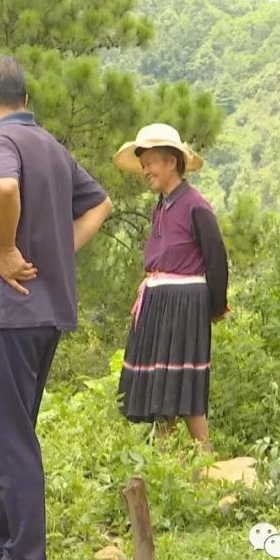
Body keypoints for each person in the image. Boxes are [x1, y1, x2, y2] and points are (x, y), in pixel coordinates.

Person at [0, 53, 113, 560]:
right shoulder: (50, 146)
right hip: (44, 313)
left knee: (5, 435)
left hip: (7, 311)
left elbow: (3, 190)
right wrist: (57, 253)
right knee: (10, 428)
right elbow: (100, 204)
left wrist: (4, 248)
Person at [111, 123, 229, 454]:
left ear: (171, 163)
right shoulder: (161, 206)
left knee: (185, 382)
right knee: (163, 384)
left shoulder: (196, 206)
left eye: (151, 163)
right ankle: (165, 467)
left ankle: (204, 458)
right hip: (160, 301)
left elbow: (217, 260)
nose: (145, 170)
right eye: (144, 163)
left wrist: (215, 307)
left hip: (185, 302)